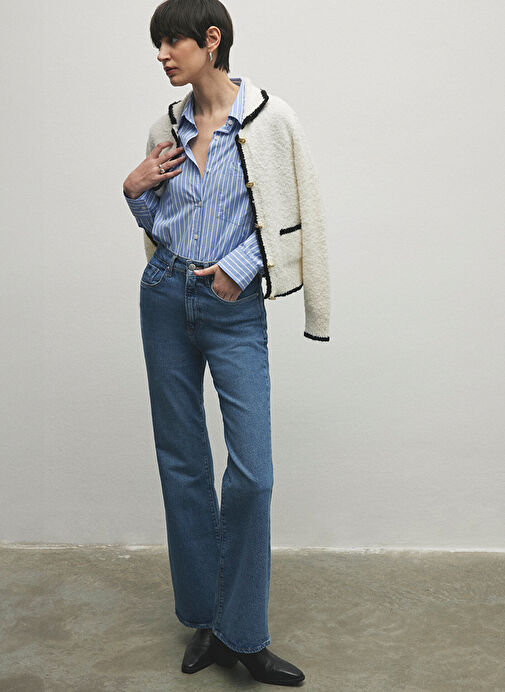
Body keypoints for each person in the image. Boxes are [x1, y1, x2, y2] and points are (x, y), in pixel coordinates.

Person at [123, 0, 330, 686]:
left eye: (171, 42)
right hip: (164, 294)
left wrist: (239, 269)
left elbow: (291, 210)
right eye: (157, 44)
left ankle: (244, 632)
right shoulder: (168, 125)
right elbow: (162, 215)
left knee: (252, 473)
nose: (161, 55)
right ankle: (208, 621)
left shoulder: (270, 119)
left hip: (231, 307)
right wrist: (133, 190)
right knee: (182, 462)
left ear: (210, 40)